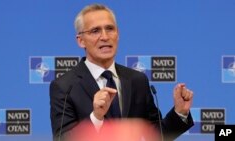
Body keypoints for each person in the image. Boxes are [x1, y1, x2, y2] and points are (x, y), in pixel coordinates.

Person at [49, 3, 194, 141]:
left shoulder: (137, 80)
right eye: (95, 31)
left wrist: (179, 113)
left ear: (117, 34)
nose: (105, 37)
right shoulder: (65, 86)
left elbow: (156, 135)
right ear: (81, 41)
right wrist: (96, 118)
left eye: (110, 29)